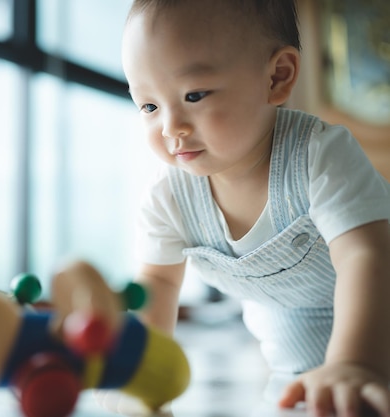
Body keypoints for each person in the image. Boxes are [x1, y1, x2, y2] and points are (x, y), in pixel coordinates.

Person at [120, 1, 390, 416]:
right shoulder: (167, 200)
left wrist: (354, 362)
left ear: (276, 77)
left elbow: (364, 254)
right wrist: (142, 379)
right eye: (149, 106)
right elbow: (157, 285)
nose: (171, 127)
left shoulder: (317, 154)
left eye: (194, 95)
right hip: (295, 357)